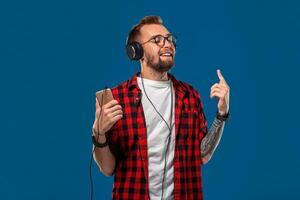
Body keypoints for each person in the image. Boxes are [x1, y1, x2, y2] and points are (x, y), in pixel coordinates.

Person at [92, 16, 230, 200]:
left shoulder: (190, 95)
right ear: (136, 51)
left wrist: (221, 114)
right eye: (157, 40)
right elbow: (108, 169)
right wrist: (98, 133)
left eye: (169, 39)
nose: (167, 44)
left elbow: (203, 155)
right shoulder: (117, 99)